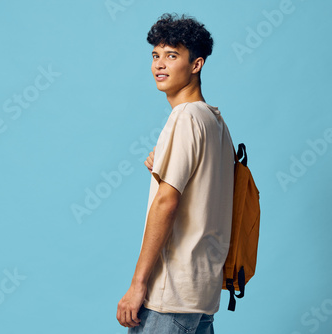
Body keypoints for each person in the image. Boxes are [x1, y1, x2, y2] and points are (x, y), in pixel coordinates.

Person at [116, 13, 235, 334]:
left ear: (196, 65)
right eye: (156, 55)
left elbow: (167, 202)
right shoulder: (215, 122)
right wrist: (164, 166)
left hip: (170, 294)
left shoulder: (184, 118)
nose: (160, 65)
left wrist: (138, 284)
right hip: (201, 292)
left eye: (172, 55)